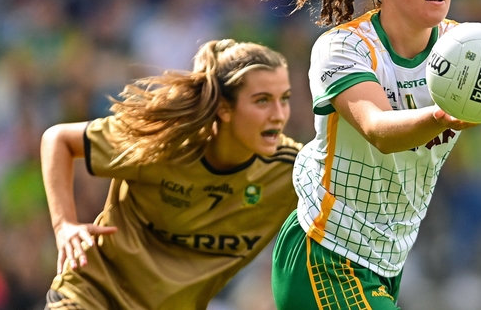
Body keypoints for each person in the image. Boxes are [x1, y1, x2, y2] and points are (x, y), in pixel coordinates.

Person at [255, 0, 481, 309]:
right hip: (325, 253)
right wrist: (447, 115)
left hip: (386, 260)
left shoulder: (468, 47)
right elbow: (378, 128)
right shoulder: (345, 48)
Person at [39, 39, 301, 309]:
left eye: (285, 99)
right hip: (93, 296)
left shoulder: (293, 170)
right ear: (223, 107)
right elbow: (57, 139)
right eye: (262, 101)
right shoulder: (165, 139)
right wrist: (64, 226)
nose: (279, 115)